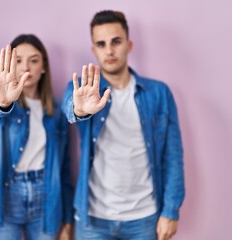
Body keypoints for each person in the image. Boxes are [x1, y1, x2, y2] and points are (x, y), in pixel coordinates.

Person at [62, 10, 185, 240]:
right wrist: (79, 110)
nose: (109, 50)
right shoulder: (82, 91)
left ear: (129, 44)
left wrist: (171, 210)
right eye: (101, 44)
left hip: (144, 218)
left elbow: (173, 156)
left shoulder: (158, 94)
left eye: (116, 41)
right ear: (93, 50)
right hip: (93, 220)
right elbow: (70, 107)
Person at [0, 34, 73, 240]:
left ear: (43, 67)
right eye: (18, 60)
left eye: (34, 60)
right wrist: (3, 102)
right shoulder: (1, 103)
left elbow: (64, 168)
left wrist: (67, 220)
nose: (26, 67)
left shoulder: (57, 111)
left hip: (46, 198)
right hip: (6, 196)